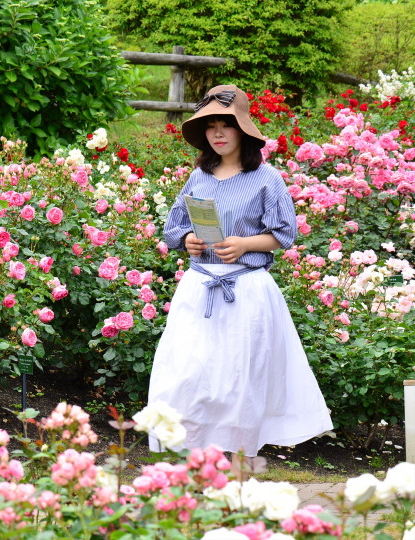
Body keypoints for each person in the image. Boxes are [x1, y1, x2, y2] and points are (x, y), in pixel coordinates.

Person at [147, 84, 333, 460]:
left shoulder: (266, 179)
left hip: (245, 289)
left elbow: (284, 235)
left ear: (243, 131)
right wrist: (189, 241)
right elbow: (173, 227)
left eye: (226, 125)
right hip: (200, 287)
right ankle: (191, 452)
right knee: (188, 370)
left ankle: (238, 459)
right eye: (211, 125)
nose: (217, 133)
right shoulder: (199, 176)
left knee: (238, 376)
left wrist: (246, 245)